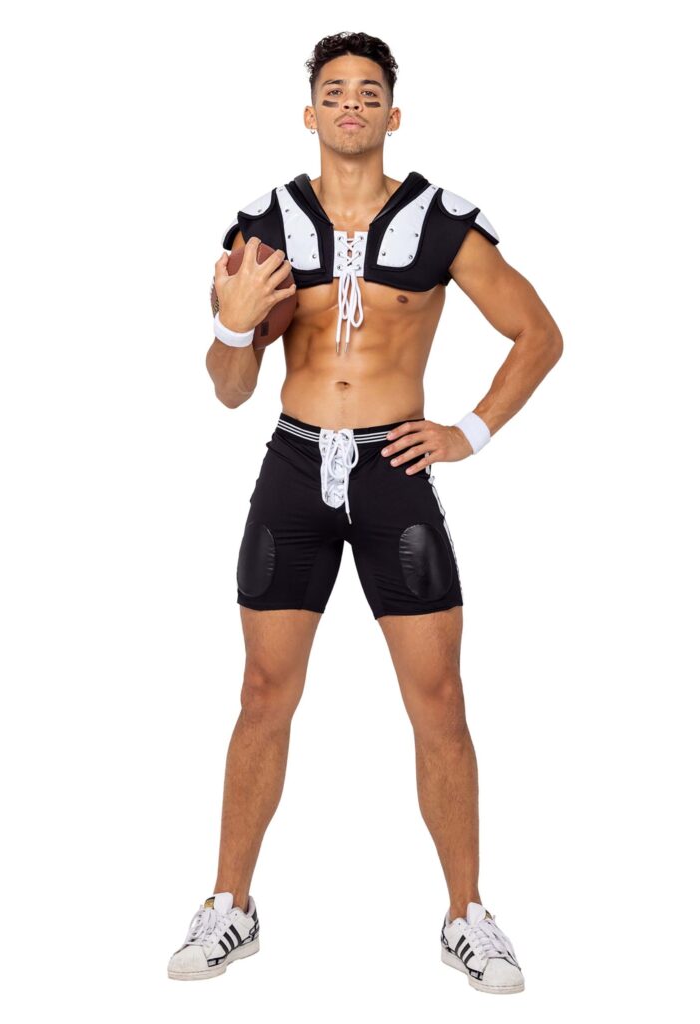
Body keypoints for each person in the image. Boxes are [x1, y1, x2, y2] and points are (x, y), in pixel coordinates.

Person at [168, 31, 562, 995]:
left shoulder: (441, 223)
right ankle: (229, 906)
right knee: (263, 692)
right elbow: (230, 389)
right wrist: (228, 324)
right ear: (310, 110)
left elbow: (537, 334)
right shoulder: (265, 228)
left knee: (439, 699)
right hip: (293, 468)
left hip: (394, 469)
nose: (352, 103)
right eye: (335, 90)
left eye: (369, 91)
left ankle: (467, 915)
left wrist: (468, 431)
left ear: (393, 112)